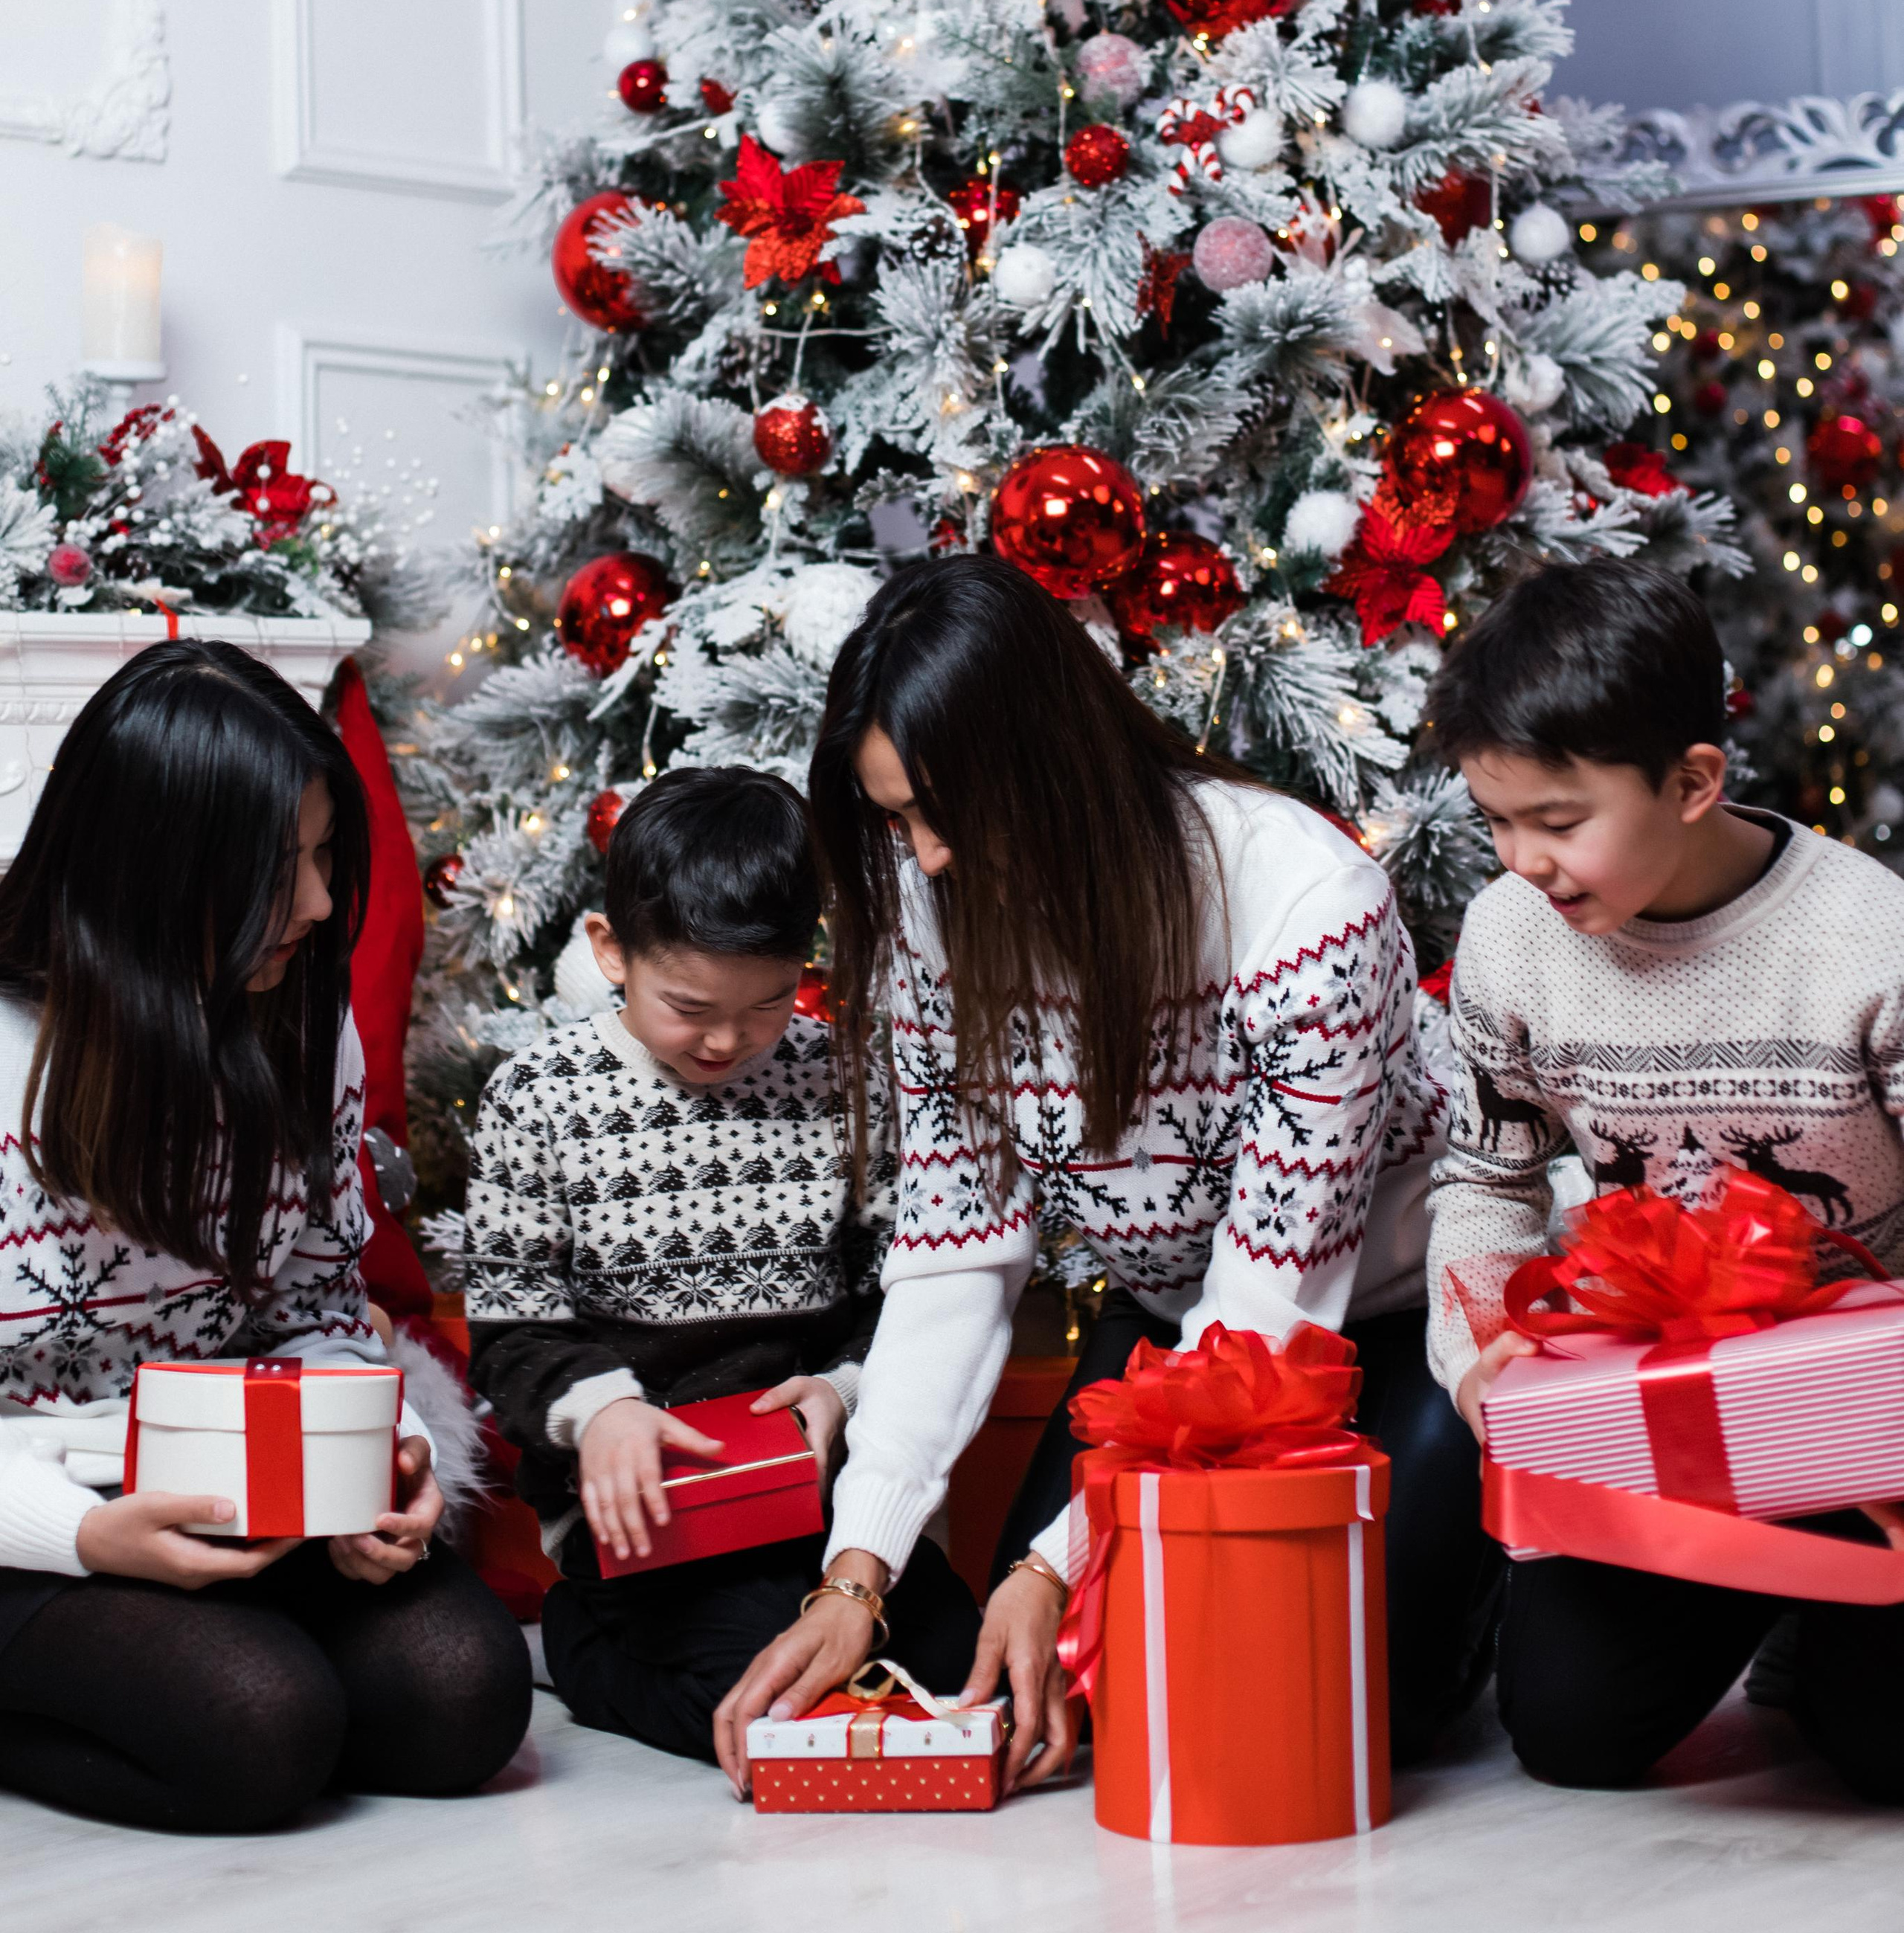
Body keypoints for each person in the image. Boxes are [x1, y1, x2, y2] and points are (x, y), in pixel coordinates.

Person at [713, 556, 1490, 1795]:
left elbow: (1274, 1309)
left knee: (1339, 1700)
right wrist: (855, 1572)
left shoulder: (1302, 901)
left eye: (947, 814)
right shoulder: (936, 903)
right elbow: (955, 1255)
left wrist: (1055, 1563)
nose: (929, 858)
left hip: (1381, 1323)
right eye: (899, 820)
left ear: (1056, 768)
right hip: (1178, 1329)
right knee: (1050, 1685)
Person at [0, 640, 532, 1832]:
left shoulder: (292, 1014)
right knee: (259, 1728)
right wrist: (82, 1535)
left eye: (324, 855)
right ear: (151, 871)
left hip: (233, 1489)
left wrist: (382, 1458)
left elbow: (321, 1311)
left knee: (464, 1698)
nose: (320, 905)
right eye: (274, 870)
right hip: (29, 1512)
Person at [1421, 556, 1904, 1798]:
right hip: (1667, 1407)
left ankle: (1820, 1635)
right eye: (1496, 821)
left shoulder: (1871, 942)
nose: (1523, 861)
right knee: (1569, 1735)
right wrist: (1479, 1354)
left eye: (1559, 822)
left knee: (1879, 1747)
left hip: (1870, 1415)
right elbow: (1487, 1181)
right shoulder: (1511, 938)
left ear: (1692, 783)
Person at [466, 765, 978, 1765]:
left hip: (813, 1502)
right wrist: (602, 1413)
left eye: (770, 1003)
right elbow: (511, 1331)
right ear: (610, 951)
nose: (729, 1040)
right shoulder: (537, 1098)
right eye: (690, 1006)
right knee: (770, 1694)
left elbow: (899, 1295)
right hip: (644, 1519)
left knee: (951, 1670)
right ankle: (580, 1641)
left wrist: (843, 1389)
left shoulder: (842, 1079)